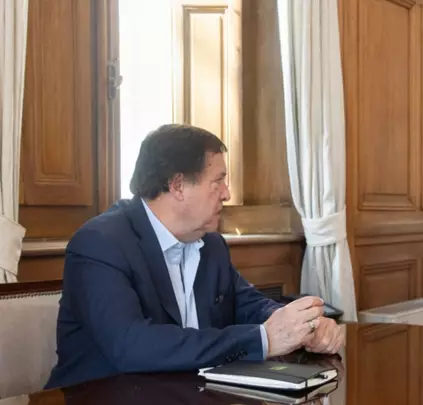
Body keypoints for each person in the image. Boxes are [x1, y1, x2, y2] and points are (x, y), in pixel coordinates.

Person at [46, 124, 344, 389]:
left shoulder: (210, 243)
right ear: (177, 186)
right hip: (102, 396)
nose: (227, 194)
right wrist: (263, 339)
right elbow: (131, 346)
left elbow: (248, 304)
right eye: (218, 181)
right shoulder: (100, 243)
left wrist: (304, 326)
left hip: (188, 394)